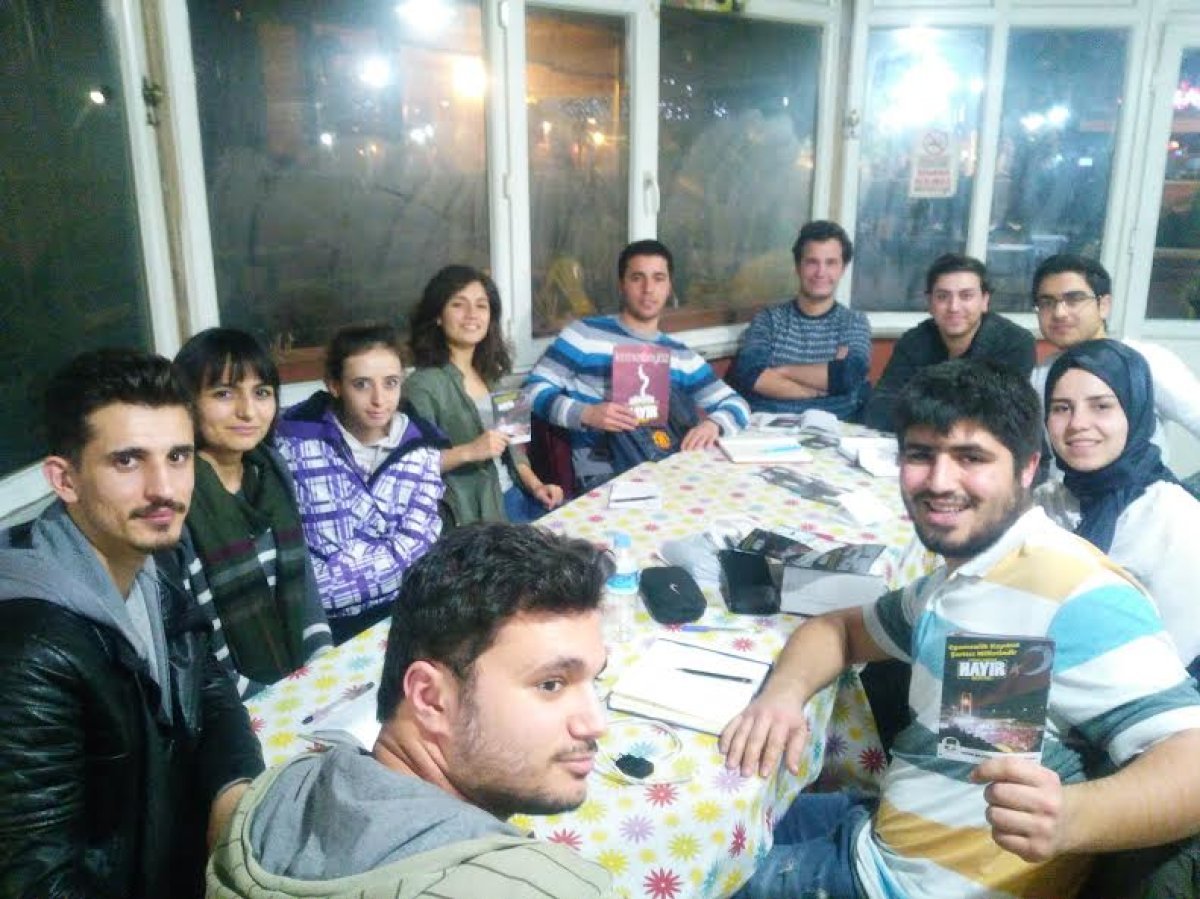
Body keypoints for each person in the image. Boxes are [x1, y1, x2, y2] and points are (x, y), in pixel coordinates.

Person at [720, 358, 1200, 899]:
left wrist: (1072, 817)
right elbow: (839, 630)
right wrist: (782, 696)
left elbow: (1191, 759)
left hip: (898, 885)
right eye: (921, 455)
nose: (939, 481)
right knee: (725, 819)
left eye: (971, 458)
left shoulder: (1076, 591)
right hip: (882, 829)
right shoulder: (965, 576)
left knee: (678, 871)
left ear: (1027, 468)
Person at [207, 522, 613, 898]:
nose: (596, 724)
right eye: (551, 684)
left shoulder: (278, 792)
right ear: (430, 698)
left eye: (594, 679)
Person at [0, 349, 264, 898]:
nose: (163, 488)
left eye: (178, 456)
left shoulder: (151, 563)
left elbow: (209, 689)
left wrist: (232, 797)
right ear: (64, 479)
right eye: (127, 461)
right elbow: (38, 879)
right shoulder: (31, 653)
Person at [174, 328, 330, 697]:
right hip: (229, 699)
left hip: (300, 683)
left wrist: (323, 664)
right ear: (187, 403)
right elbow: (197, 643)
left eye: (261, 393)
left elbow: (305, 585)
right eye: (224, 393)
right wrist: (269, 700)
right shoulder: (179, 493)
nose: (247, 411)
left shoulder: (271, 470)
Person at [526, 238, 749, 491]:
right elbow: (531, 392)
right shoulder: (584, 335)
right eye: (637, 278)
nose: (648, 289)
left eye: (658, 278)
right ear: (622, 284)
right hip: (602, 468)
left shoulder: (680, 356)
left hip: (665, 462)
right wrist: (586, 414)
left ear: (669, 287)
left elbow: (736, 404)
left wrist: (713, 424)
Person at [275, 323, 446, 644]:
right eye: (361, 384)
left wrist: (325, 589)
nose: (379, 399)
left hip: (400, 610)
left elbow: (417, 548)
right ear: (334, 385)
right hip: (318, 622)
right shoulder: (294, 444)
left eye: (391, 383)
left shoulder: (423, 448)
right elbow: (295, 542)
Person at [1038, 338, 1200, 671]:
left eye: (1101, 406)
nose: (1078, 423)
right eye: (1061, 408)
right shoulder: (1042, 505)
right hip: (1032, 683)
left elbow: (1176, 657)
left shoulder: (1173, 518)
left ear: (1136, 411)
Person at [404, 264, 563, 525]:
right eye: (458, 304)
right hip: (472, 516)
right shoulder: (421, 386)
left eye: (481, 306)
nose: (472, 314)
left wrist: (537, 487)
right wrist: (469, 451)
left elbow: (515, 447)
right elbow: (409, 467)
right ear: (438, 316)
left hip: (515, 497)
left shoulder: (493, 376)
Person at [1030, 253, 1200, 464]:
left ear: (1104, 305)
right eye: (1047, 302)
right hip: (1068, 484)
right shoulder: (1042, 373)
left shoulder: (1145, 361)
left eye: (1074, 299)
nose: (1059, 313)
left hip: (1140, 484)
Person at [863, 253, 1035, 432]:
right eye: (942, 296)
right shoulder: (913, 341)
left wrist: (920, 407)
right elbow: (879, 408)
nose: (953, 307)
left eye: (966, 296)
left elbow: (998, 418)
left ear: (984, 300)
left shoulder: (1014, 343)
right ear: (930, 302)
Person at [731, 220, 872, 419]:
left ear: (843, 268)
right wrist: (818, 390)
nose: (821, 272)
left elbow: (848, 375)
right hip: (767, 428)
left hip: (837, 430)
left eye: (831, 263)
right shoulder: (769, 320)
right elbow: (750, 375)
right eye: (812, 262)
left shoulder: (854, 322)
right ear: (798, 266)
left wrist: (784, 371)